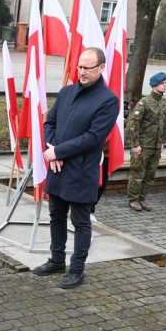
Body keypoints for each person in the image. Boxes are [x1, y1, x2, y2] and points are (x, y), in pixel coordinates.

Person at [31, 47, 118, 289]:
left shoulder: (108, 100)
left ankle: (77, 269)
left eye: (87, 68)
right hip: (58, 167)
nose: (81, 72)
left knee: (80, 222)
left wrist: (58, 151)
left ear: (101, 68)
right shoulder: (66, 92)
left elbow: (93, 137)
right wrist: (53, 149)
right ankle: (56, 260)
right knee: (56, 215)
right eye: (79, 66)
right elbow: (51, 122)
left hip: (81, 170)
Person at [124, 72, 166, 212]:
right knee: (138, 174)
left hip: (155, 146)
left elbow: (165, 124)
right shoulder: (145, 102)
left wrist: (162, 142)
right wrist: (135, 145)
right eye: (163, 83)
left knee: (150, 175)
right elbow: (133, 125)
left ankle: (142, 198)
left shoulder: (164, 103)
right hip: (143, 146)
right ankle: (133, 199)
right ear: (155, 85)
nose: (165, 86)